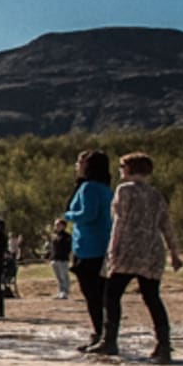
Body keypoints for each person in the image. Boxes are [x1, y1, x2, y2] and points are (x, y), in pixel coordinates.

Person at [91, 152, 183, 363]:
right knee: (152, 297)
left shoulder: (124, 190)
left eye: (122, 167)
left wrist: (112, 250)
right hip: (152, 251)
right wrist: (175, 253)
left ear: (129, 169)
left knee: (112, 294)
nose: (120, 171)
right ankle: (164, 343)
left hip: (129, 249)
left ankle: (110, 339)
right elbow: (166, 225)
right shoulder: (155, 194)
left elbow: (119, 222)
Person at [65, 150, 115, 351]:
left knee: (92, 293)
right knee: (103, 293)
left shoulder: (89, 188)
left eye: (80, 162)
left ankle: (99, 334)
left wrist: (68, 215)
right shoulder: (105, 188)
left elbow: (87, 214)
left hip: (89, 246)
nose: (77, 165)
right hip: (104, 244)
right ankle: (105, 334)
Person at [48, 219, 72, 299]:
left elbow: (69, 248)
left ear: (63, 226)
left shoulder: (67, 236)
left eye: (58, 224)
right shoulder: (55, 236)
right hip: (55, 259)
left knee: (64, 276)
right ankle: (60, 291)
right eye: (56, 225)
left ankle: (65, 292)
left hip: (63, 259)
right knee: (58, 277)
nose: (56, 226)